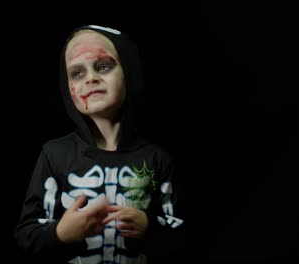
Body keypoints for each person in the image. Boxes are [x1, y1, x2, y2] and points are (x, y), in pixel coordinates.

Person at [14, 25, 184, 263]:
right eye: (77, 73)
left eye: (103, 66)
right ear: (67, 87)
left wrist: (148, 227)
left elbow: (182, 235)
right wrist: (60, 234)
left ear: (129, 72)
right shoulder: (55, 155)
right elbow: (25, 235)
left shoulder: (157, 158)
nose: (91, 78)